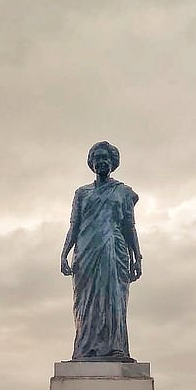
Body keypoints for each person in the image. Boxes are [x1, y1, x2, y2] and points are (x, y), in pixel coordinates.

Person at [61, 141, 142, 360]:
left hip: (114, 249)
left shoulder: (124, 193)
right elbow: (74, 225)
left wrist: (137, 258)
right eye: (96, 158)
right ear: (91, 162)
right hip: (86, 250)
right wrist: (64, 253)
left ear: (113, 162)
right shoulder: (81, 193)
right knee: (85, 301)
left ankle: (116, 347)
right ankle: (86, 348)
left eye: (105, 157)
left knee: (113, 297)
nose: (101, 161)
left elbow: (129, 226)